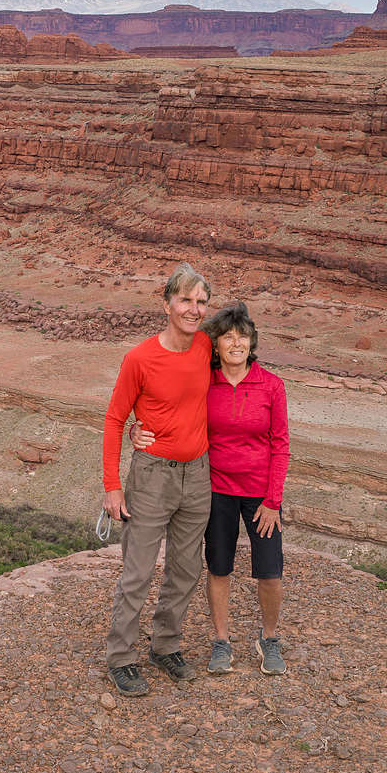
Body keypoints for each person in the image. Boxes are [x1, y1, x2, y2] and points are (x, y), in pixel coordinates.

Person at [132, 301, 290, 675]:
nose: (236, 343)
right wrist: (135, 429)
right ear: (215, 345)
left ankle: (269, 639)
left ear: (252, 342)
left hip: (260, 494)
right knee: (219, 567)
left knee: (270, 571)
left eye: (242, 336)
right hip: (215, 489)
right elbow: (167, 407)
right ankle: (222, 641)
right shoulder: (206, 380)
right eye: (228, 337)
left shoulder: (271, 385)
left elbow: (280, 444)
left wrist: (273, 501)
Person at [100, 263, 213, 697]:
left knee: (186, 570)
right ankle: (121, 657)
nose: (193, 309)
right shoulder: (140, 358)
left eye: (201, 302)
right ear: (167, 304)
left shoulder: (206, 346)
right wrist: (112, 485)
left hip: (197, 475)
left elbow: (242, 354)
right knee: (138, 572)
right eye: (185, 300)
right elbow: (114, 420)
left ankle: (165, 645)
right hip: (151, 478)